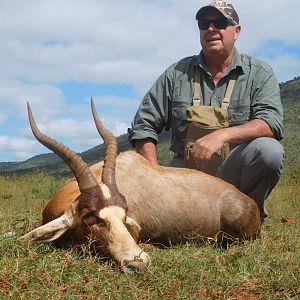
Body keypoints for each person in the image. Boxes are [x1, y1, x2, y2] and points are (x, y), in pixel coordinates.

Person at [128, 0, 284, 222]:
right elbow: (144, 126)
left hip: (233, 168)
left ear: (236, 31)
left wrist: (221, 135)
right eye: (204, 24)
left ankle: (249, 217)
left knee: (269, 151)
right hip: (185, 172)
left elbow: (270, 123)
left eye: (220, 23)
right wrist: (154, 177)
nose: (211, 29)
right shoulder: (176, 73)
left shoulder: (259, 73)